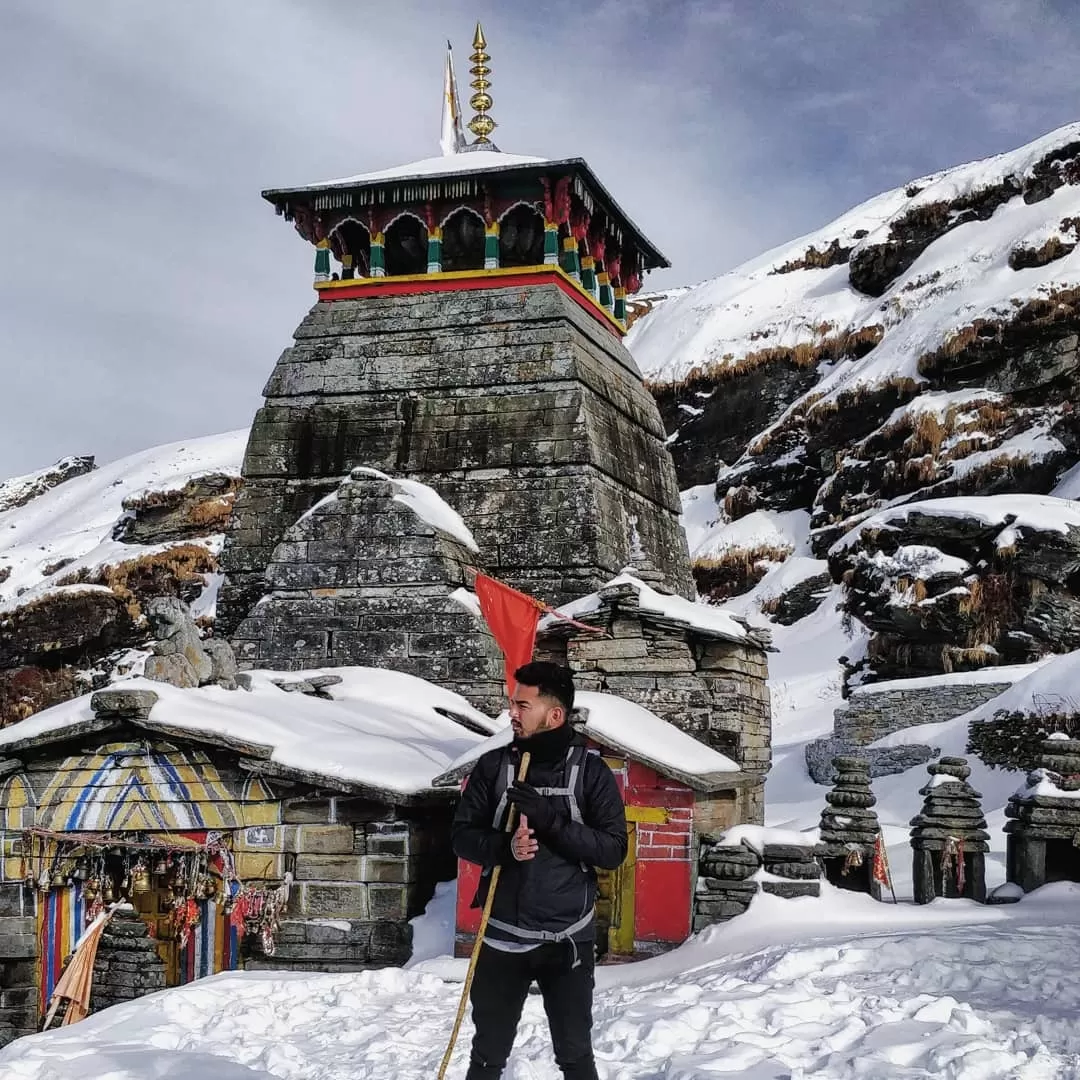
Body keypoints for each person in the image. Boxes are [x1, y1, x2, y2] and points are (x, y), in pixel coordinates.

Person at [451, 661, 628, 1080]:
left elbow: (613, 850)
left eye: (522, 705)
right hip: (502, 938)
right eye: (513, 703)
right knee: (487, 1055)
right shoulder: (495, 768)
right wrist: (505, 848)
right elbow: (461, 836)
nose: (511, 713)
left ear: (554, 715)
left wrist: (551, 820)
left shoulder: (591, 773)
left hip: (567, 941)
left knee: (575, 1055)